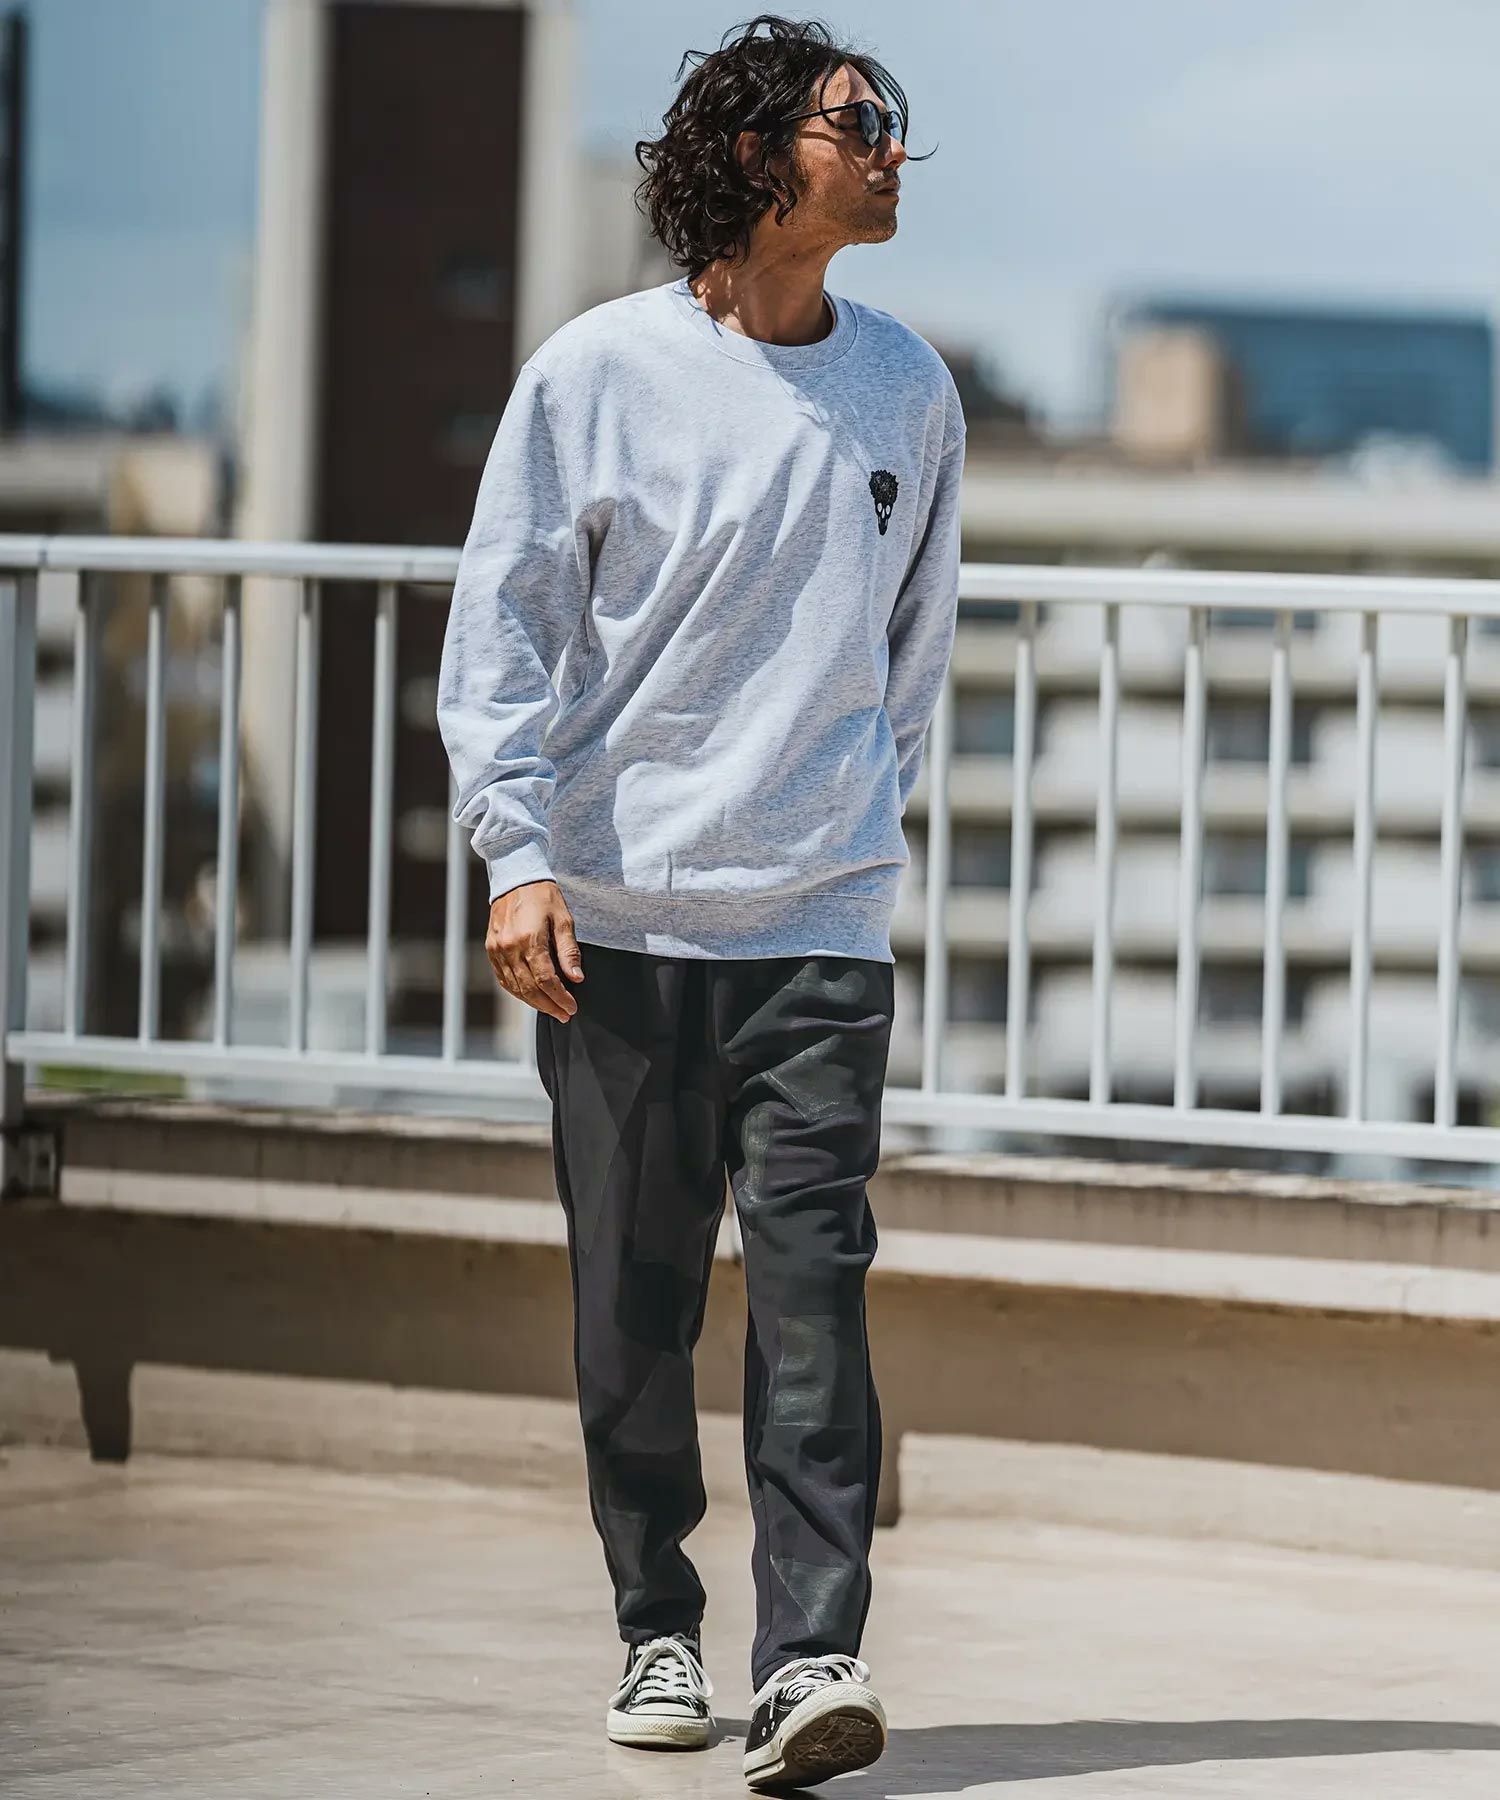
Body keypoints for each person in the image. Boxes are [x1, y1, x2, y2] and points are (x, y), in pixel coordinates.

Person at [436, 12, 964, 1790]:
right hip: (620, 932)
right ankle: (656, 1622)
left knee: (817, 1305)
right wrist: (518, 854)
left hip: (818, 932)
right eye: (855, 122)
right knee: (632, 1314)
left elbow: (910, 654)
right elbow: (503, 627)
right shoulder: (597, 375)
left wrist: (847, 831)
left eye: (892, 122)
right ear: (754, 154)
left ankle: (812, 1659)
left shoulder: (909, 390)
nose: (890, 149)